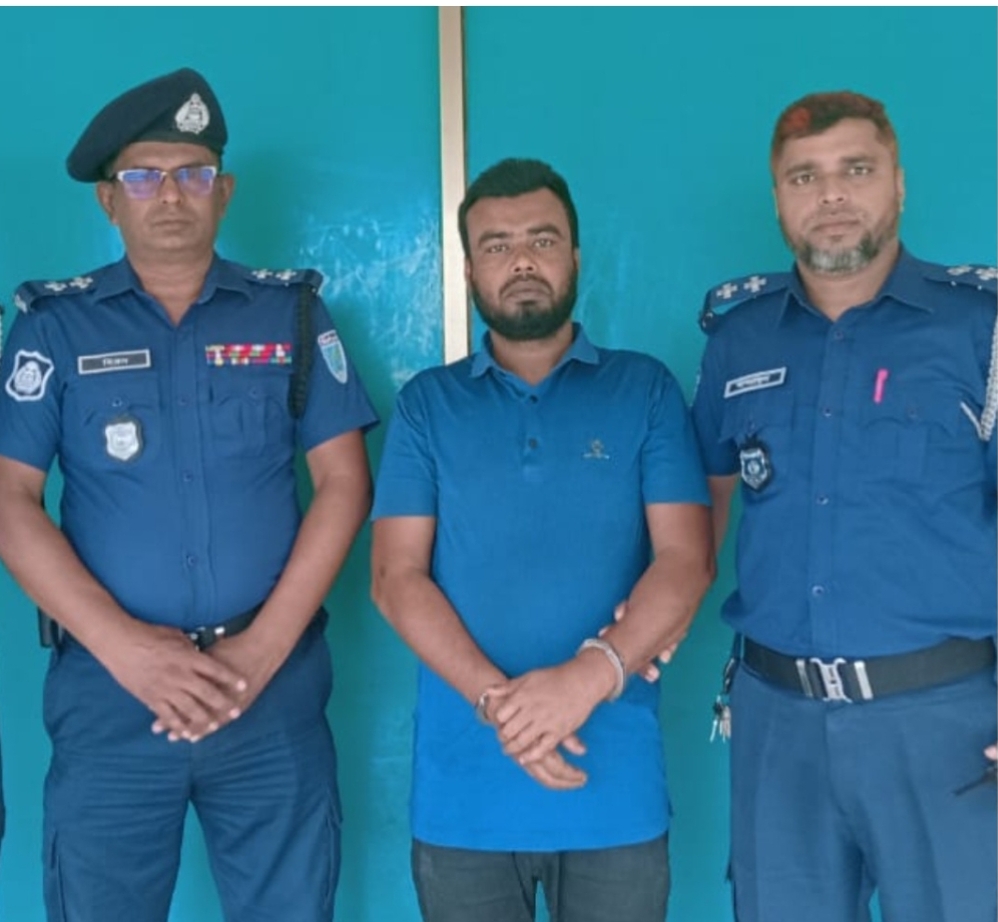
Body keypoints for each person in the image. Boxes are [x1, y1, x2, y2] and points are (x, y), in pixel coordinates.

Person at [0, 68, 377, 922]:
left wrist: (262, 651)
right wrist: (127, 650)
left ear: (224, 191)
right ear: (109, 200)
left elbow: (345, 483)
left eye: (193, 174)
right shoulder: (53, 328)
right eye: (143, 177)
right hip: (111, 697)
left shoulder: (290, 317)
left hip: (269, 693)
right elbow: (10, 498)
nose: (170, 196)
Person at [370, 158, 714, 922]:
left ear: (576, 257)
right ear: (469, 270)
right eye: (496, 245)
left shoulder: (645, 390)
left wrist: (585, 680)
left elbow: (687, 561)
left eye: (542, 239)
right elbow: (395, 578)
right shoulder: (427, 406)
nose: (521, 260)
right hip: (465, 793)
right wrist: (504, 706)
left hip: (613, 785)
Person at [692, 90, 997, 922]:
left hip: (946, 723)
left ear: (898, 183)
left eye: (855, 170)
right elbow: (699, 513)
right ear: (778, 198)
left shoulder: (982, 333)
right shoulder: (738, 340)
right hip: (778, 721)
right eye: (804, 177)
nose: (830, 194)